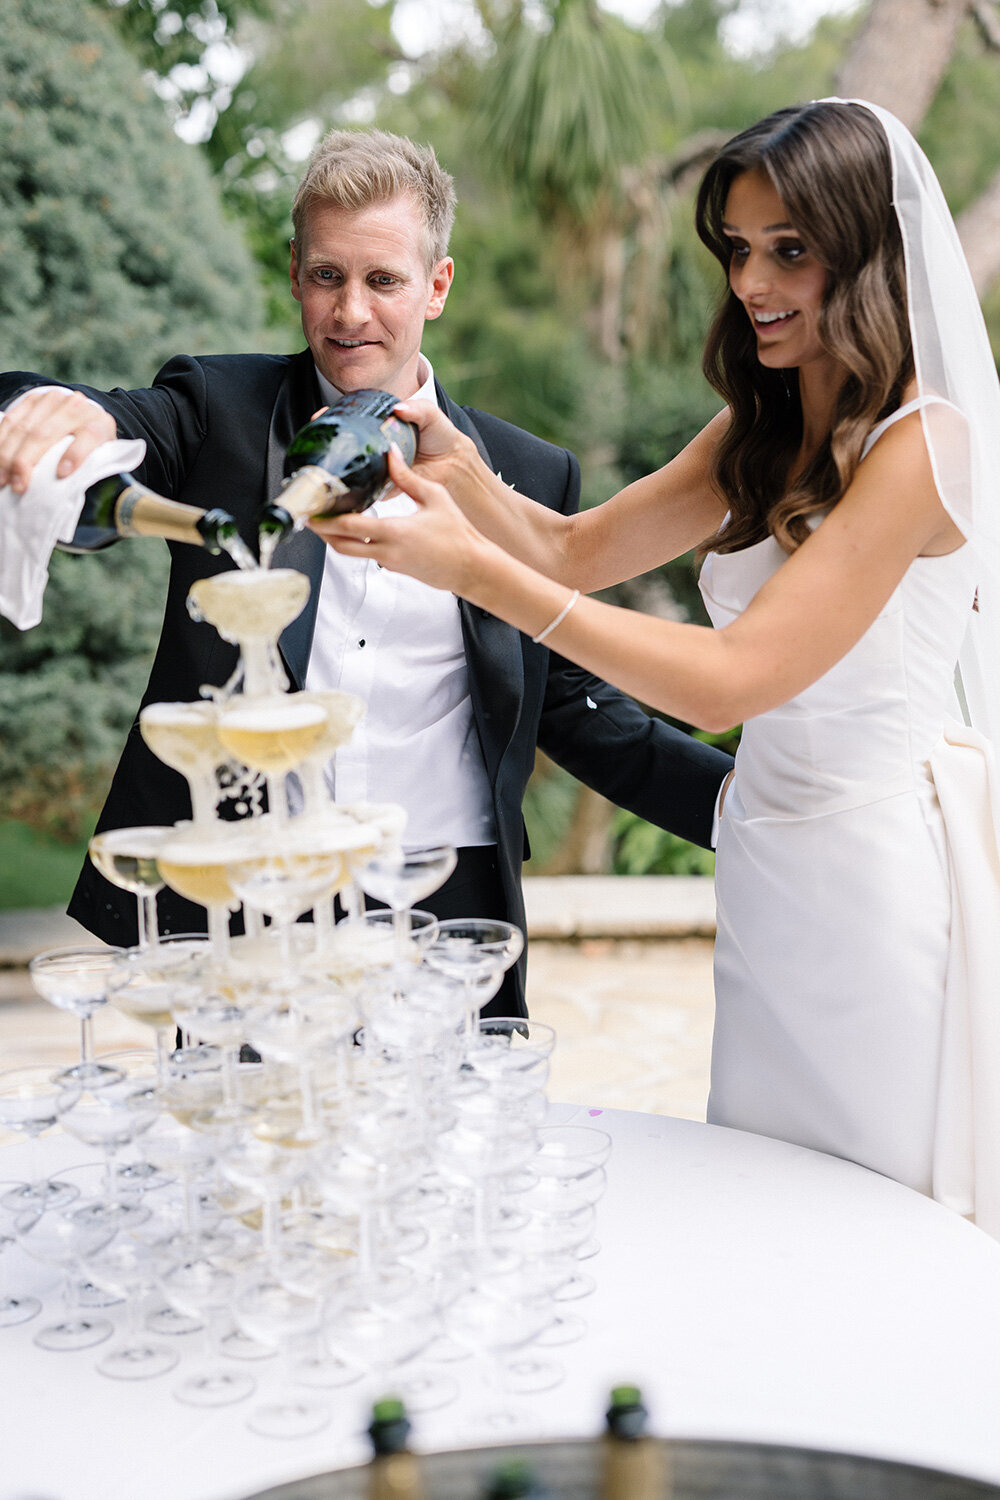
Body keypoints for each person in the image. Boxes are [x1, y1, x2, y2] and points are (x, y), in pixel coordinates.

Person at [315, 100, 1000, 1231]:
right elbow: (575, 548)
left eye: (790, 250)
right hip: (770, 871)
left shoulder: (925, 443)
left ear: (869, 250)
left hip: (874, 886)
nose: (752, 284)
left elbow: (731, 679)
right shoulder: (761, 422)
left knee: (876, 1221)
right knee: (768, 1204)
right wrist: (454, 461)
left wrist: (471, 574)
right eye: (737, 249)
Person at [0, 128, 732, 1018]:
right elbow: (105, 425)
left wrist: (749, 816)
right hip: (247, 905)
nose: (350, 312)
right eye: (326, 276)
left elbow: (572, 705)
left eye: (382, 280)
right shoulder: (215, 410)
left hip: (447, 907)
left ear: (438, 284)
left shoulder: (530, 476)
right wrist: (41, 409)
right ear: (296, 272)